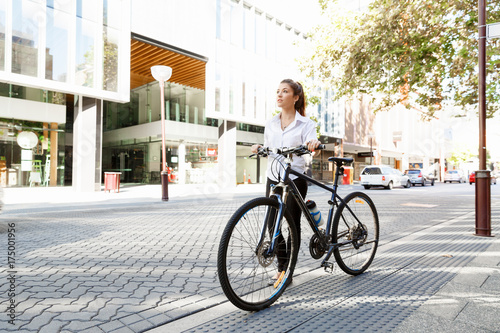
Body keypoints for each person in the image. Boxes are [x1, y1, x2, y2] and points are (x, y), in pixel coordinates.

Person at [251, 79, 322, 282]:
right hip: (273, 177)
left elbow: (311, 143)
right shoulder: (271, 123)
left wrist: (312, 143)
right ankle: (282, 263)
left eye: (285, 91)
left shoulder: (306, 124)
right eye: (278, 91)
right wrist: (259, 148)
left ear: (296, 97)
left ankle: (286, 269)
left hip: (294, 179)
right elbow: (268, 148)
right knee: (272, 226)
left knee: (292, 224)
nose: (279, 95)